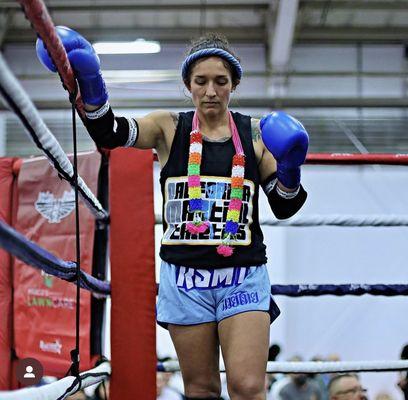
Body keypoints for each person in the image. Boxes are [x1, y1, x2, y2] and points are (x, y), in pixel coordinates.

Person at [36, 27, 308, 400]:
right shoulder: (169, 127)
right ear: (188, 84)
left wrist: (291, 166)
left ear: (234, 85)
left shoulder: (257, 135)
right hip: (185, 279)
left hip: (242, 274)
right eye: (201, 81)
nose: (210, 91)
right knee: (201, 389)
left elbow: (284, 203)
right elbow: (111, 133)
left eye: (220, 81)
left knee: (247, 386)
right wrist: (91, 82)